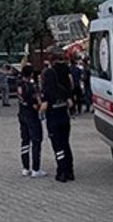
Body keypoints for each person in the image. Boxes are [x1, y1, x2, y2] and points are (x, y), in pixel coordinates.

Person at [41, 53, 75, 182]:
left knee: (57, 146)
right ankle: (70, 170)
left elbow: (44, 106)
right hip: (64, 119)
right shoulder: (62, 89)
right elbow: (70, 103)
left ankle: (61, 171)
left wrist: (39, 111)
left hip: (53, 120)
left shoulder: (47, 91)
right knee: (66, 144)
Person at [17, 64, 46, 178]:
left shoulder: (19, 84)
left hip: (22, 114)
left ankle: (25, 167)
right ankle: (36, 168)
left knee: (25, 141)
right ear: (31, 74)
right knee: (36, 141)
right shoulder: (31, 87)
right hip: (32, 116)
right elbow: (36, 104)